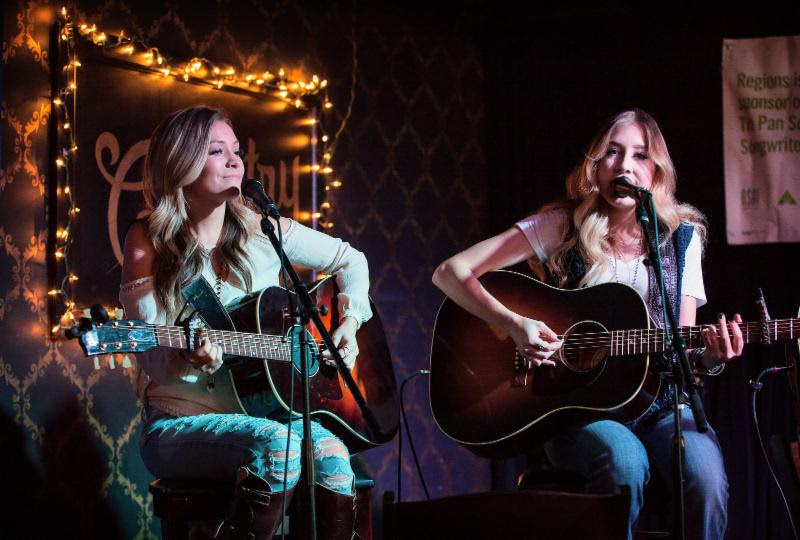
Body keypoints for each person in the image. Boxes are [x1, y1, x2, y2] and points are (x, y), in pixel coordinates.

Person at [432, 109, 744, 539]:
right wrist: (516, 323)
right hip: (574, 409)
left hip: (660, 406)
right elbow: (450, 272)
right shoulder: (561, 225)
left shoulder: (682, 240)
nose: (624, 165)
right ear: (594, 166)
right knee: (624, 464)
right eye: (612, 153)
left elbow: (684, 353)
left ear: (656, 172)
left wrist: (711, 357)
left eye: (639, 155)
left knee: (706, 479)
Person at [120, 105, 372, 540]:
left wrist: (347, 323)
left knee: (333, 456)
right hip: (178, 420)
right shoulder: (149, 238)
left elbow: (351, 260)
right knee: (278, 448)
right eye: (217, 151)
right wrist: (189, 359)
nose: (236, 160)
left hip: (264, 412)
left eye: (236, 150)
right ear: (181, 162)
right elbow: (149, 355)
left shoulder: (262, 229)